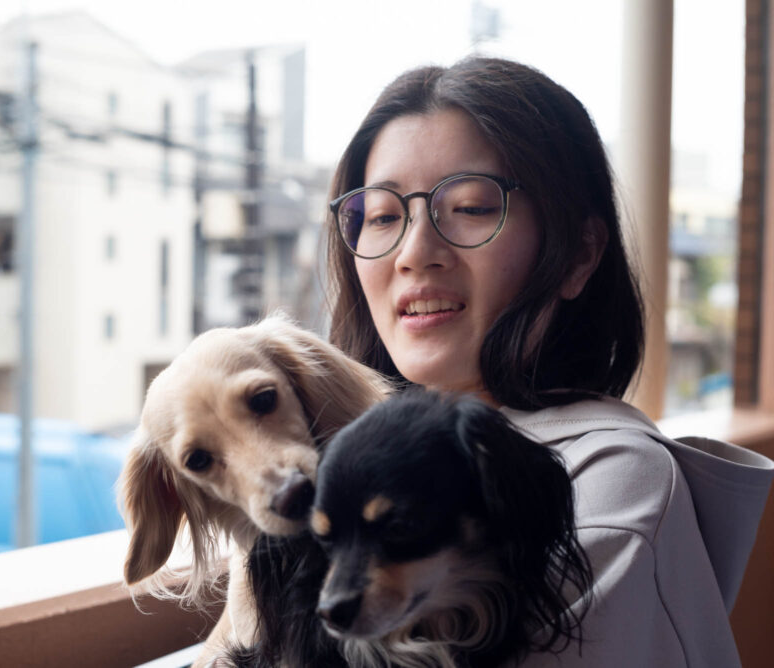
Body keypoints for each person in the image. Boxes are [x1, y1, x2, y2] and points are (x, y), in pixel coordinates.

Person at [324, 56, 774, 667]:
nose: (414, 250)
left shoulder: (611, 488)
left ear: (578, 254)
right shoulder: (343, 464)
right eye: (382, 216)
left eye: (472, 207)